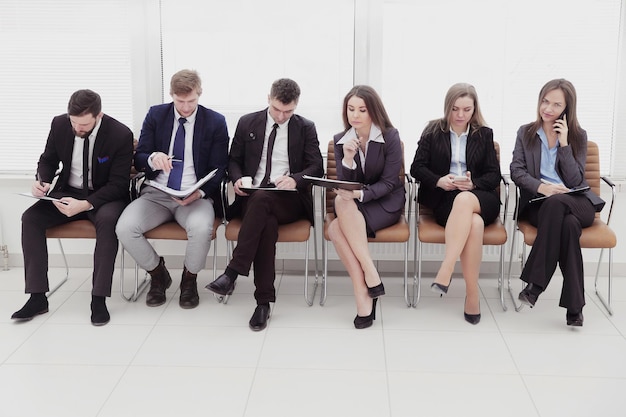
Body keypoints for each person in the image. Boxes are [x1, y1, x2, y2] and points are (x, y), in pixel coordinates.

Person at [206, 78, 323, 331]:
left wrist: (295, 179)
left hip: (289, 201)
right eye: (277, 109)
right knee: (265, 222)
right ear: (268, 98)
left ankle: (233, 273)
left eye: (288, 111)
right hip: (253, 197)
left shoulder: (306, 127)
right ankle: (263, 303)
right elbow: (233, 160)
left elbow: (317, 167)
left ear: (296, 105)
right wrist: (237, 180)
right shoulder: (247, 122)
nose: (282, 116)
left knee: (264, 202)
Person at [12, 89, 134, 326]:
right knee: (31, 218)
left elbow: (119, 184)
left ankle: (98, 299)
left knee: (108, 223)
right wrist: (43, 181)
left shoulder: (120, 134)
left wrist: (87, 204)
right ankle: (37, 297)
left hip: (104, 195)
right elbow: (47, 160)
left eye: (84, 124)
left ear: (99, 116)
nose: (78, 129)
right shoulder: (59, 124)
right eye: (74, 122)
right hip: (68, 191)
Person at [116, 69, 229, 309]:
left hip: (194, 195)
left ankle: (189, 281)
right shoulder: (156, 115)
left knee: (201, 229)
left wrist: (199, 193)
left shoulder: (215, 122)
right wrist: (153, 157)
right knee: (125, 228)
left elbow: (220, 168)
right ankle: (158, 274)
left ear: (199, 94)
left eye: (191, 101)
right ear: (171, 95)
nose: (186, 108)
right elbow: (139, 158)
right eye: (180, 101)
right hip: (157, 194)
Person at [510, 78, 604, 327]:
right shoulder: (526, 133)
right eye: (545, 101)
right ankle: (575, 307)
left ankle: (535, 284)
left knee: (561, 205)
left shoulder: (577, 136)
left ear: (567, 108)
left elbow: (576, 180)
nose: (548, 108)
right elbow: (516, 172)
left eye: (556, 104)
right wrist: (543, 187)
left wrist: (564, 145)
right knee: (568, 226)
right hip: (540, 204)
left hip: (577, 202)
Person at [410, 83, 501, 325]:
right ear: (447, 107)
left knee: (467, 202)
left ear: (474, 109)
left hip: (481, 196)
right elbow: (416, 168)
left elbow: (494, 175)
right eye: (455, 109)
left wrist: (473, 185)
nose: (460, 115)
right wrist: (440, 181)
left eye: (467, 109)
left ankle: (446, 269)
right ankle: (472, 296)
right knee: (475, 224)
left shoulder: (484, 133)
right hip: (446, 200)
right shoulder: (432, 130)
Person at [327, 85, 405, 329]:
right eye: (351, 109)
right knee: (341, 202)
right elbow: (345, 182)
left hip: (385, 201)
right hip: (354, 204)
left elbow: (391, 181)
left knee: (336, 226)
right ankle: (366, 286)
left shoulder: (389, 136)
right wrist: (348, 158)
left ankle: (368, 282)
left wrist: (360, 194)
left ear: (373, 111)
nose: (355, 115)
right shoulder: (341, 140)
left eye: (362, 109)